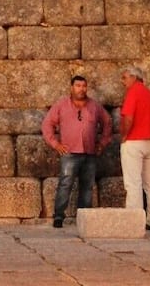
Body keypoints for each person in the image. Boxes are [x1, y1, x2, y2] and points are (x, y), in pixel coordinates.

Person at [41, 75, 113, 228]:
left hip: (90, 153)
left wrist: (102, 143)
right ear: (72, 88)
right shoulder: (61, 105)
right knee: (65, 184)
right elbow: (47, 124)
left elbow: (107, 122)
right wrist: (56, 144)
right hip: (69, 153)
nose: (81, 89)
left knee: (87, 186)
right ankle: (59, 216)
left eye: (84, 86)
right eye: (78, 86)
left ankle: (84, 217)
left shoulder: (94, 106)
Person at [119, 66, 150, 231]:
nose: (123, 81)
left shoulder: (133, 93)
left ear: (133, 77)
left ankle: (134, 221)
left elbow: (128, 118)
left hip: (134, 142)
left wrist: (124, 135)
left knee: (133, 183)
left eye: (124, 78)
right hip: (149, 142)